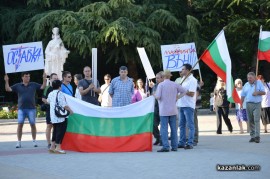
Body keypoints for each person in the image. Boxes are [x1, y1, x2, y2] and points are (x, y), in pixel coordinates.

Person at [4, 71, 47, 148]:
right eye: (26, 76)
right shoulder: (18, 85)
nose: (28, 78)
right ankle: (19, 142)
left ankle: (34, 141)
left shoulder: (33, 84)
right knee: (20, 125)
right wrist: (6, 81)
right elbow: (8, 89)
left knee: (33, 124)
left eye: (29, 76)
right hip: (21, 109)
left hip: (31, 108)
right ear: (22, 77)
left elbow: (43, 87)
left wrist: (44, 79)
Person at [154, 70, 186, 152]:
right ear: (170, 76)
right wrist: (178, 97)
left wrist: (154, 94)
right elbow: (185, 91)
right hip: (173, 109)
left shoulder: (161, 85)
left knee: (164, 129)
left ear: (163, 77)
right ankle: (174, 146)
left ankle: (166, 146)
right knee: (174, 129)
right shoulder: (175, 84)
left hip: (163, 110)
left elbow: (158, 97)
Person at [47, 80, 73, 154]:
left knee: (55, 130)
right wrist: (71, 111)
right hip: (60, 116)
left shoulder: (50, 93)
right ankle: (58, 147)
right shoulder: (60, 94)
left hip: (53, 115)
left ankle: (52, 147)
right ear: (59, 86)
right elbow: (64, 105)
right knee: (60, 131)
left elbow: (48, 101)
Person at [176, 64, 197, 149]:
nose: (181, 71)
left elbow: (191, 94)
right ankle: (181, 142)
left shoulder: (192, 80)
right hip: (181, 104)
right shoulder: (183, 79)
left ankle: (190, 143)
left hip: (188, 105)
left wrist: (182, 90)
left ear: (188, 70)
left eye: (183, 69)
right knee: (181, 125)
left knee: (190, 125)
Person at [241, 72, 265, 143]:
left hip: (257, 104)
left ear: (254, 77)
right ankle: (252, 136)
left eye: (250, 78)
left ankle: (257, 136)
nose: (249, 79)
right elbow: (243, 95)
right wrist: (241, 103)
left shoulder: (259, 83)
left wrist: (257, 92)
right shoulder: (246, 84)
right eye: (248, 78)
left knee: (256, 120)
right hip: (248, 104)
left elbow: (264, 92)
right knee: (250, 120)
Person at [42, 73, 58, 149]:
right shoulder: (47, 88)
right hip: (49, 110)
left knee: (56, 127)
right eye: (54, 78)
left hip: (57, 111)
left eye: (56, 78)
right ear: (51, 79)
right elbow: (43, 99)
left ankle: (54, 142)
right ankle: (49, 143)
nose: (55, 79)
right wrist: (51, 103)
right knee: (49, 126)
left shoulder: (58, 87)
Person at [151, 71, 164, 146]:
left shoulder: (165, 85)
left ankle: (163, 140)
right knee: (153, 125)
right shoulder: (154, 86)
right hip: (155, 107)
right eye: (156, 78)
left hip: (163, 107)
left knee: (163, 125)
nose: (156, 79)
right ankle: (158, 138)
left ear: (162, 78)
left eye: (158, 78)